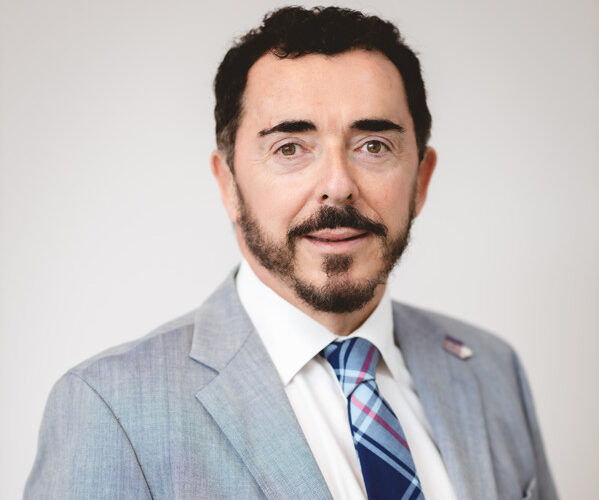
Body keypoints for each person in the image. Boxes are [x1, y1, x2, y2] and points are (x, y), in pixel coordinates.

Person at [25, 6, 558, 500]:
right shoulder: (110, 409)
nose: (338, 186)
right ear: (228, 184)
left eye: (374, 145)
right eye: (290, 148)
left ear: (421, 178)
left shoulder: (492, 369)